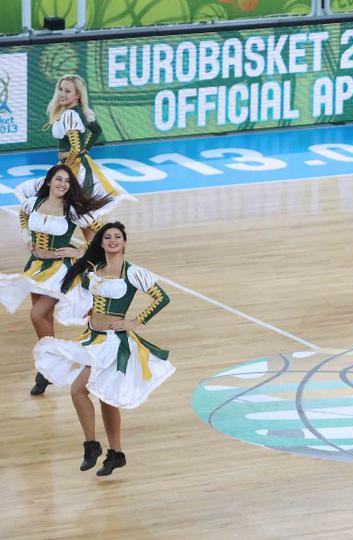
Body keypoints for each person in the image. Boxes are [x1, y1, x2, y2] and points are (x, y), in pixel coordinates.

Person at [35, 222, 174, 476]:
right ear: (101, 243)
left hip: (112, 344)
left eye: (117, 236)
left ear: (124, 242)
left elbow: (161, 298)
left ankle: (91, 445)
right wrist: (91, 311)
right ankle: (116, 454)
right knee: (106, 398)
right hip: (93, 339)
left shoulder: (132, 272)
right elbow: (90, 295)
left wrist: (135, 321)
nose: (112, 240)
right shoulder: (95, 270)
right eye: (107, 237)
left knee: (78, 390)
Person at [0, 164, 114, 396]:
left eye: (67, 181)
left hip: (60, 271)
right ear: (49, 181)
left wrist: (79, 251)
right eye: (59, 179)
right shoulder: (33, 203)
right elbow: (23, 214)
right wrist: (27, 238)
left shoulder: (72, 210)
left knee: (36, 314)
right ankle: (46, 371)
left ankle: (52, 365)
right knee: (45, 318)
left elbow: (98, 236)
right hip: (35, 268)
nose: (63, 184)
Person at [15, 75, 131, 241]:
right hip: (75, 165)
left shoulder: (70, 114)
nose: (62, 94)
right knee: (80, 214)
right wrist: (85, 150)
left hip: (73, 168)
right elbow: (96, 131)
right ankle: (100, 245)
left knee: (51, 202)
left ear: (77, 95)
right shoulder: (81, 112)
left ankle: (102, 242)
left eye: (67, 91)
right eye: (60, 89)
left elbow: (75, 148)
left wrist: (65, 170)